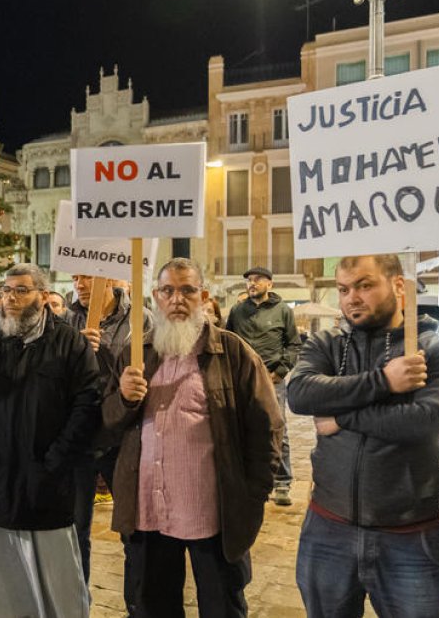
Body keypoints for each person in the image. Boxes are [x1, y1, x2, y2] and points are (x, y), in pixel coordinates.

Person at [289, 254, 439, 617]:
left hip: (409, 537)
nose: (351, 297)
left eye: (365, 285)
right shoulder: (327, 344)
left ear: (399, 286)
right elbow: (301, 394)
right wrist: (383, 381)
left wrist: (341, 416)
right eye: (343, 289)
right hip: (328, 530)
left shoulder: (436, 350)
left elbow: (425, 422)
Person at [104, 258, 281, 617]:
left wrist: (252, 496)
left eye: (187, 290)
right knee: (153, 605)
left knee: (221, 605)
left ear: (203, 296)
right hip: (149, 512)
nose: (177, 299)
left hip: (211, 513)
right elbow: (107, 423)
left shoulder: (232, 353)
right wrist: (123, 398)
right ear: (156, 296)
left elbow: (267, 429)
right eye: (168, 291)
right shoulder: (135, 353)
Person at [0, 263, 98, 618]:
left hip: (47, 482)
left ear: (43, 297)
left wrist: (54, 462)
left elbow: (86, 407)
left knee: (57, 584)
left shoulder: (69, 344)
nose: (10, 299)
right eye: (6, 291)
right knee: (1, 583)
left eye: (21, 291)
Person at [64, 274, 146, 581]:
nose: (80, 285)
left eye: (86, 276)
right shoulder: (66, 319)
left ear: (112, 275)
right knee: (74, 529)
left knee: (134, 529)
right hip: (79, 439)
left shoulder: (142, 319)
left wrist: (105, 356)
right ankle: (76, 604)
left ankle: (138, 605)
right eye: (75, 278)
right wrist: (76, 352)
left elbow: (146, 375)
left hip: (123, 440)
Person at [225, 267, 301, 506]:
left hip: (272, 380)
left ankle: (282, 482)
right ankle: (248, 479)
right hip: (242, 380)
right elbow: (228, 342)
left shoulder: (283, 311)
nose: (252, 283)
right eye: (249, 280)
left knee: (277, 429)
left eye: (257, 279)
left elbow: (293, 344)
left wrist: (280, 371)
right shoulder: (237, 311)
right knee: (241, 428)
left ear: (270, 284)